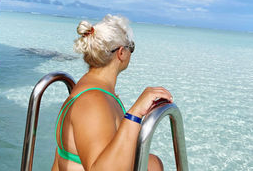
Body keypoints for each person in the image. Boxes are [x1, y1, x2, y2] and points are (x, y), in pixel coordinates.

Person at [51, 14, 173, 171]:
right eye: (132, 48)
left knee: (152, 162)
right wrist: (135, 113)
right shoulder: (93, 101)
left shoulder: (92, 89)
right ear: (121, 53)